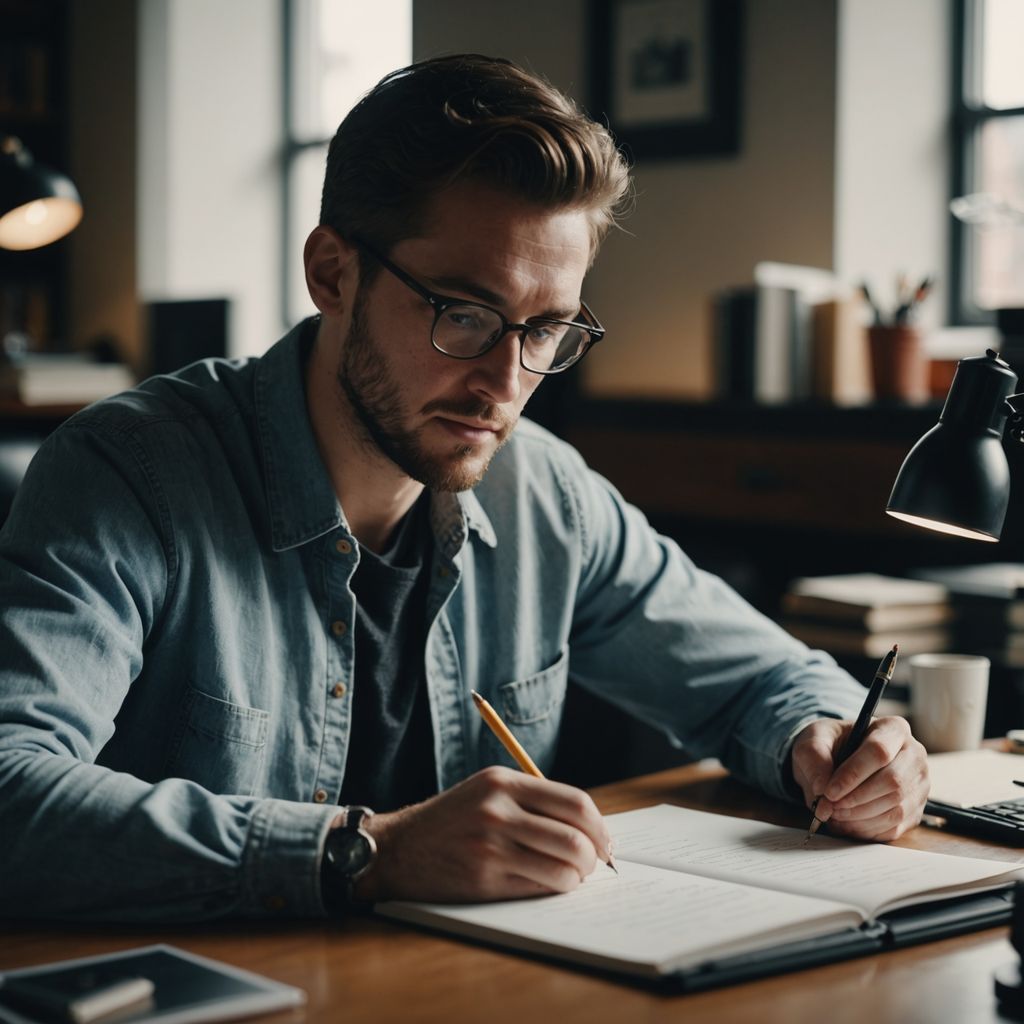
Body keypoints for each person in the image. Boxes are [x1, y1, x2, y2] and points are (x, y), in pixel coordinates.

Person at [0, 54, 928, 922]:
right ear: (332, 271)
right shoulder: (131, 474)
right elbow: (10, 788)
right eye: (466, 314)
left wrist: (835, 744)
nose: (505, 381)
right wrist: (364, 852)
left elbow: (760, 677)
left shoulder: (547, 495)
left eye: (547, 330)